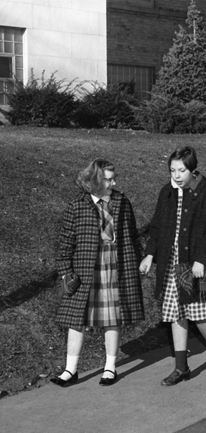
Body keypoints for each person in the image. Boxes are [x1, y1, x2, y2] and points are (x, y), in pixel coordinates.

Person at [139, 146, 206, 386]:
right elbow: (157, 226)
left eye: (182, 170)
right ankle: (181, 368)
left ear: (193, 170)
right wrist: (150, 254)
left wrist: (202, 259)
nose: (176, 175)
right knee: (175, 315)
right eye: (172, 170)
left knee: (199, 315)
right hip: (172, 263)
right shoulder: (167, 193)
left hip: (195, 263)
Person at [51, 159, 144, 388]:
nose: (114, 182)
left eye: (114, 177)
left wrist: (137, 260)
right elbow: (65, 243)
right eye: (108, 178)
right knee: (77, 320)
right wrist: (65, 273)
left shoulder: (122, 201)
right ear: (94, 180)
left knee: (113, 317)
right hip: (85, 269)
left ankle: (110, 367)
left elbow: (131, 235)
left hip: (116, 265)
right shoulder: (77, 206)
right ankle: (70, 370)